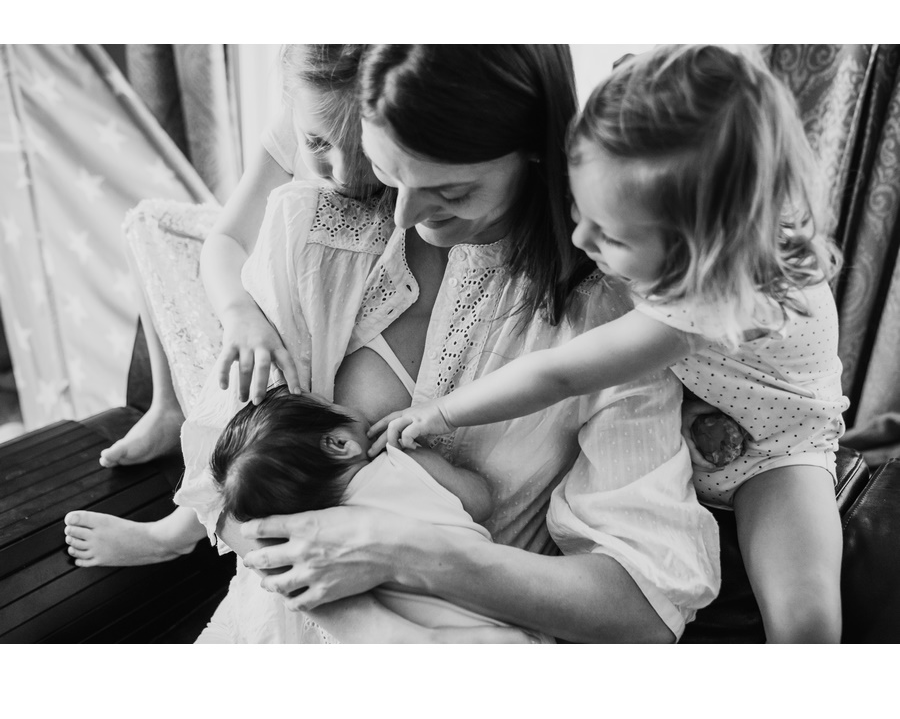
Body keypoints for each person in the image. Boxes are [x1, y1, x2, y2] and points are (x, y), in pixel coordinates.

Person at [202, 44, 719, 643]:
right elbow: (225, 482)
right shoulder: (312, 230)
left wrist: (405, 555)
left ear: (533, 146)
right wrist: (352, 616)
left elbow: (644, 611)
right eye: (389, 171)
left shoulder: (611, 322)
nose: (404, 215)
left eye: (451, 191)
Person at [373, 45, 847, 643]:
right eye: (579, 209)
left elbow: (558, 374)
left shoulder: (700, 303)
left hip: (777, 454)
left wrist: (441, 412)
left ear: (697, 246)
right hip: (702, 417)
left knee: (804, 622)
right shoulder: (680, 202)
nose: (580, 238)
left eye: (611, 237)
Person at [64, 44, 383, 566]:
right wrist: (238, 313)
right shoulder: (294, 123)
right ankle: (168, 406)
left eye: (363, 149)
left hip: (318, 321)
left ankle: (174, 534)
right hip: (260, 301)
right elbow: (226, 240)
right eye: (319, 143)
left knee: (262, 363)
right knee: (151, 224)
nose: (345, 174)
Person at [209, 384, 552, 641]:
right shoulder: (403, 462)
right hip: (505, 614)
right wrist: (422, 451)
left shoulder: (319, 546)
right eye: (331, 404)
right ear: (340, 444)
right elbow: (481, 500)